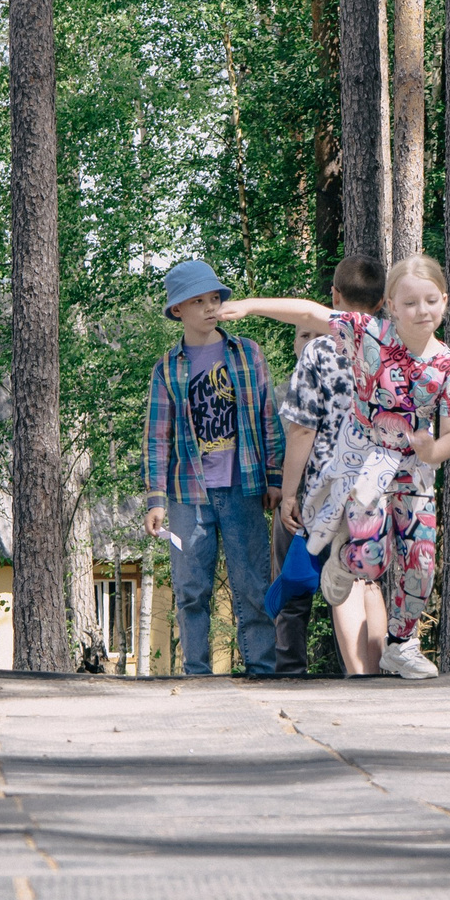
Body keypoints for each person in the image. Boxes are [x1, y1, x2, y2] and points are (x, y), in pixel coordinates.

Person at [229, 258, 450, 680]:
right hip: (364, 468)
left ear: (444, 302)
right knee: (371, 562)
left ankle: (401, 644)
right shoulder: (369, 333)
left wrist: (434, 449)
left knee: (421, 562)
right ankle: (343, 562)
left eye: (431, 301)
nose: (422, 311)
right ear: (390, 306)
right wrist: (250, 306)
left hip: (413, 473)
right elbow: (310, 314)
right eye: (410, 303)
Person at [142, 260, 287, 678]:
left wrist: (275, 478)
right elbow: (157, 438)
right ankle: (196, 674)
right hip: (187, 496)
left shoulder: (246, 353)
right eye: (198, 301)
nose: (210, 307)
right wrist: (155, 499)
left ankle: (262, 670)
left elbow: (268, 418)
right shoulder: (167, 368)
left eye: (214, 299)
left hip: (244, 487)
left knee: (253, 586)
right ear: (177, 310)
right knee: (191, 589)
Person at [272, 256, 387, 674]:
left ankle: (359, 674)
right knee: (368, 578)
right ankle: (377, 669)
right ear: (381, 302)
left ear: (334, 297)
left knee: (343, 574)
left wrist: (290, 493)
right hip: (383, 481)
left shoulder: (320, 350)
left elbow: (302, 429)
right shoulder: (394, 345)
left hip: (333, 483)